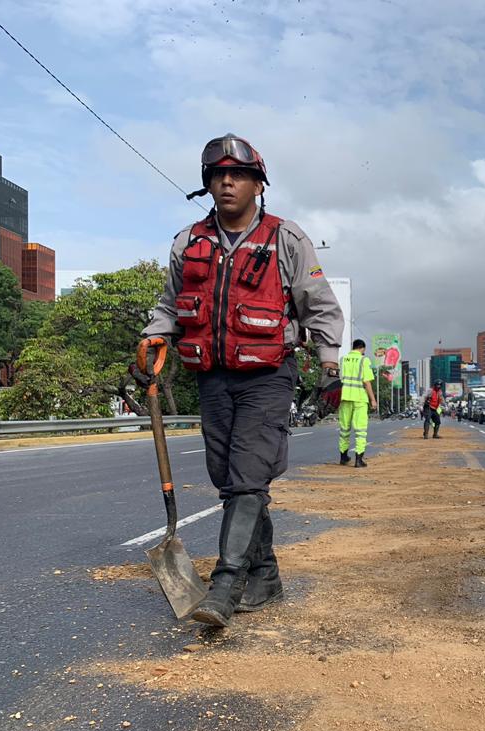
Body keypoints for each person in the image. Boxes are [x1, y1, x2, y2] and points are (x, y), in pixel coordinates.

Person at [141, 133, 344, 627]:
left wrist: (331, 365)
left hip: (268, 376)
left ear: (258, 184)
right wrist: (152, 338)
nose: (227, 182)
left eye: (238, 175)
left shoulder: (285, 238)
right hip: (211, 377)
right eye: (217, 175)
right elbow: (171, 306)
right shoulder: (188, 241)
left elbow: (320, 306)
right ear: (208, 184)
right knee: (229, 480)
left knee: (248, 476)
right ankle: (267, 574)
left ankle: (226, 585)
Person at [338, 338, 377, 467]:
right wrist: (373, 399)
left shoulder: (343, 359)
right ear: (362, 349)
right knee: (360, 430)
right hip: (360, 398)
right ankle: (358, 460)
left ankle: (343, 457)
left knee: (344, 429)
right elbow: (367, 382)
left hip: (344, 397)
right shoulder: (363, 360)